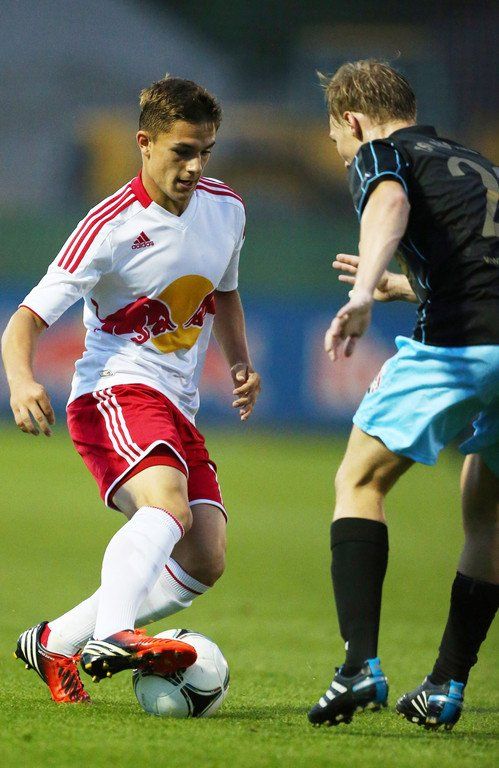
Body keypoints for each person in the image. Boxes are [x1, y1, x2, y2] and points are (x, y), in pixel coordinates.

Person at [1, 76, 261, 703]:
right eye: (182, 152)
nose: (195, 167)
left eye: (205, 152)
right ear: (144, 143)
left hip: (177, 405)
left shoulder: (227, 209)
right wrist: (21, 379)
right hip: (112, 393)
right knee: (166, 504)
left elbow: (224, 292)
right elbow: (25, 319)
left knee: (205, 556)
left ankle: (57, 640)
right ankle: (114, 633)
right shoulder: (109, 226)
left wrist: (240, 364)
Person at [307, 60, 498, 730]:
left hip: (461, 342)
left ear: (353, 120)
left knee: (358, 480)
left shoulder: (382, 152)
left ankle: (358, 666)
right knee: (488, 512)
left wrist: (365, 290)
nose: (342, 153)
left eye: (337, 139)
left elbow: (388, 202)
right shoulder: (476, 163)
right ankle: (445, 685)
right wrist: (406, 286)